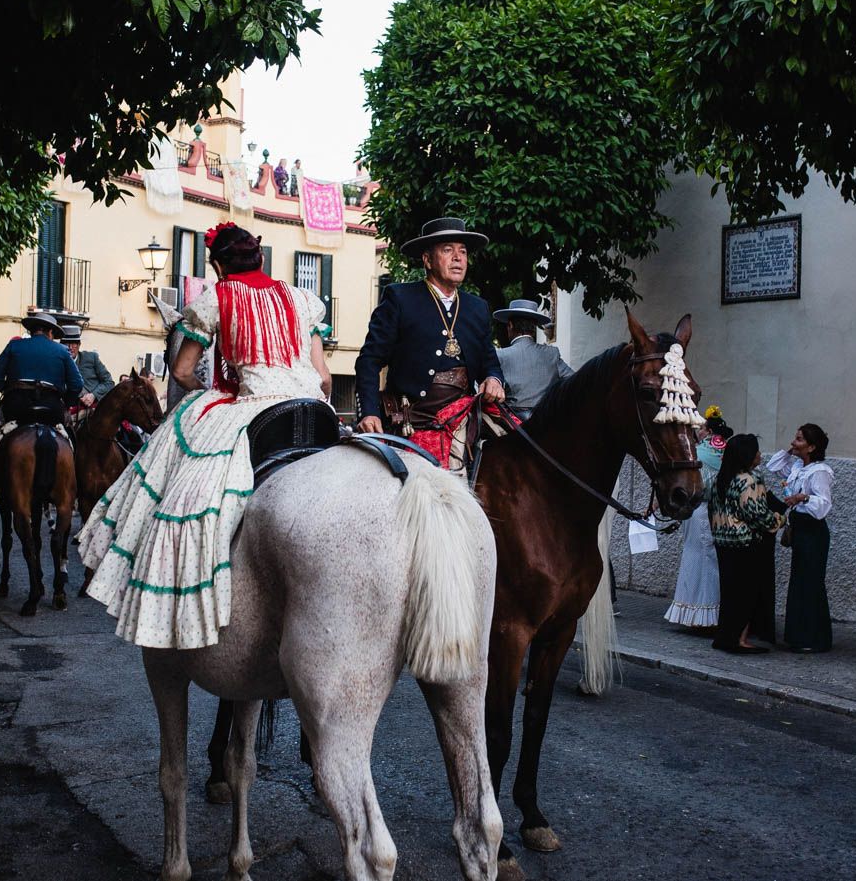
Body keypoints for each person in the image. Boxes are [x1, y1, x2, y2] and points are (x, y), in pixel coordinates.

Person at [79, 222, 331, 649]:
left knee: (180, 490)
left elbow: (181, 372)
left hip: (254, 406)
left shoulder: (215, 298)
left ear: (217, 266)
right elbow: (324, 378)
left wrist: (213, 395)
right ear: (263, 260)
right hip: (311, 408)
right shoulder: (303, 299)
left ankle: (178, 598)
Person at [353, 216, 505, 472]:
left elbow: (490, 363)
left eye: (463, 252)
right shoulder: (400, 298)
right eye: (448, 250)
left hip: (464, 419)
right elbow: (369, 361)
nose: (458, 258)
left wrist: (494, 379)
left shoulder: (477, 308)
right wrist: (369, 412)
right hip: (414, 419)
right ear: (427, 259)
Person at [707, 433, 786, 654]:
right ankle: (739, 639)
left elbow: (711, 509)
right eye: (757, 451)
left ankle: (725, 636)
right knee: (747, 593)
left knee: (729, 592)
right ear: (747, 455)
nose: (760, 455)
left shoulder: (718, 479)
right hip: (745, 543)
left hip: (723, 541)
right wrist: (780, 519)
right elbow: (758, 514)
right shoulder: (749, 480)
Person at [768, 424, 835, 653]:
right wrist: (791, 450)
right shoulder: (798, 467)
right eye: (795, 438)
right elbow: (773, 466)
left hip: (813, 531)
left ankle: (815, 638)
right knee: (799, 581)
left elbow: (823, 506)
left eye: (799, 439)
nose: (794, 442)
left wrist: (804, 498)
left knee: (811, 582)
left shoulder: (820, 472)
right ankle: (798, 636)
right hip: (799, 530)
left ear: (812, 447)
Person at [665, 407, 730, 629]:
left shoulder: (700, 452)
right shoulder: (724, 450)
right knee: (709, 559)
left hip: (700, 509)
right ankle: (707, 613)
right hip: (718, 511)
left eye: (700, 428)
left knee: (698, 558)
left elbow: (690, 484)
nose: (697, 432)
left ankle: (701, 614)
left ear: (708, 430)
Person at [0, 312, 85, 427]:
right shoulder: (62, 350)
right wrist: (66, 403)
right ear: (50, 332)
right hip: (51, 407)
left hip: (15, 405)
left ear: (32, 330)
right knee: (70, 437)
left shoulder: (14, 345)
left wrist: (10, 390)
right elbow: (77, 384)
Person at [493, 299, 572, 420]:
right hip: (547, 420)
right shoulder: (552, 353)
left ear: (510, 325)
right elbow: (572, 380)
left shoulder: (500, 355)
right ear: (534, 327)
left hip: (512, 425)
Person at [60, 324, 114, 407]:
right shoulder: (58, 362)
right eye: (67, 344)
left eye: (74, 343)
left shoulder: (92, 358)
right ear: (61, 346)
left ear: (79, 345)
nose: (70, 347)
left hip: (94, 410)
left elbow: (109, 382)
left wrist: (93, 395)